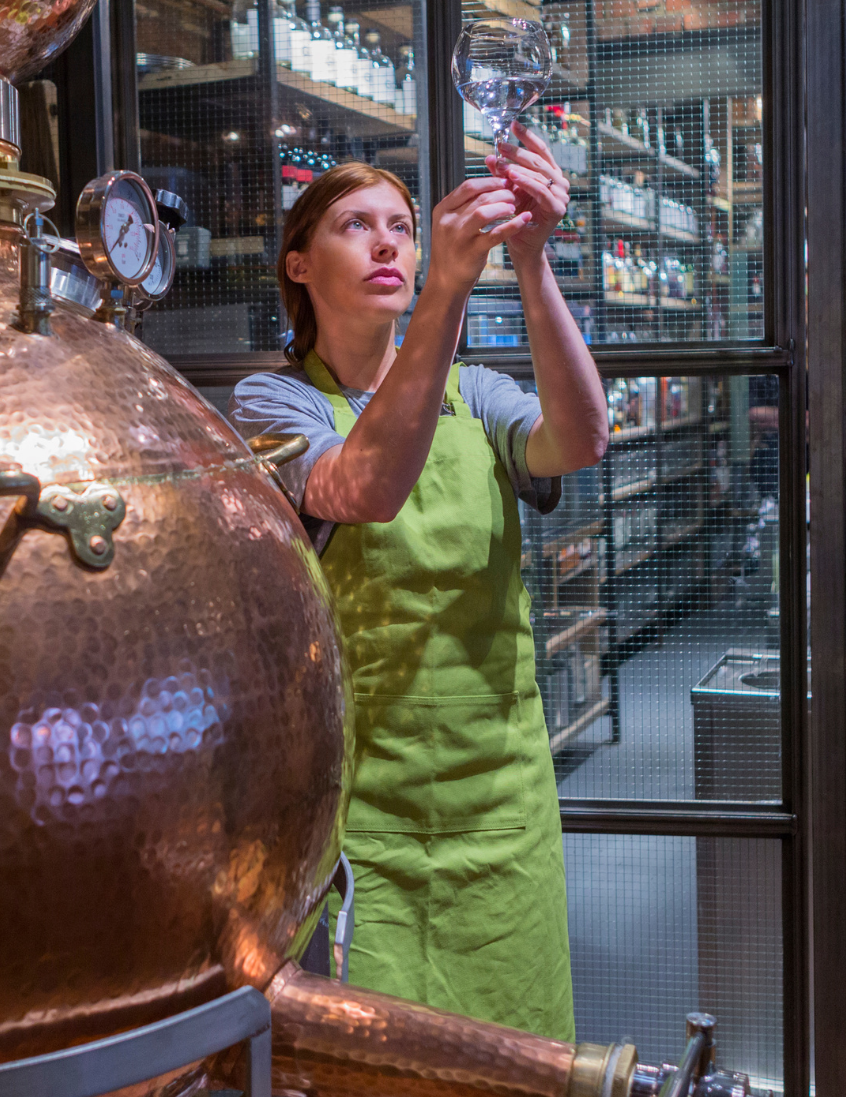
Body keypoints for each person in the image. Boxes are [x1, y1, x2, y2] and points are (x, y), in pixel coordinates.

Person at [230, 133, 607, 1040]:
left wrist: (531, 261)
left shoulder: (475, 394)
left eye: (402, 226)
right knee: (385, 1058)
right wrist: (447, 288)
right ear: (298, 263)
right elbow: (364, 487)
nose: (389, 243)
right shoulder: (271, 406)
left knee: (516, 1053)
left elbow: (582, 437)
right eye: (356, 225)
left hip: (503, 803)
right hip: (363, 821)